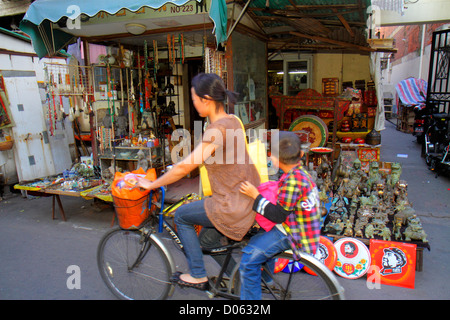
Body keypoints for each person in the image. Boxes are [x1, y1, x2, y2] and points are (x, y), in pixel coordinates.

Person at [137, 73, 260, 290]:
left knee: (182, 216)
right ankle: (239, 283)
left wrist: (153, 184)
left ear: (206, 99)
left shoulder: (216, 129)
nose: (194, 105)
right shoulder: (232, 120)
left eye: (194, 100)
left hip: (231, 203)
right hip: (247, 196)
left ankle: (198, 274)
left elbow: (186, 166)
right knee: (207, 241)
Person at [238, 131, 321, 300]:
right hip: (304, 227)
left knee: (248, 259)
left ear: (273, 158)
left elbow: (277, 216)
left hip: (293, 232)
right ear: (302, 155)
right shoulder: (300, 173)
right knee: (258, 241)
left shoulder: (292, 182)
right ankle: (267, 280)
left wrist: (256, 195)